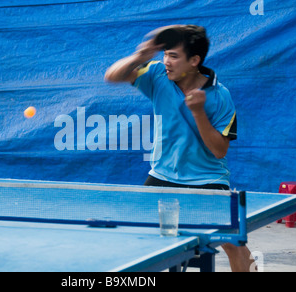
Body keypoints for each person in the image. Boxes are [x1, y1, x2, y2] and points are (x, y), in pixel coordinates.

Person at [105, 24, 256, 272]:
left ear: (194, 60)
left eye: (173, 56)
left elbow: (220, 151)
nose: (166, 61)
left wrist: (198, 111)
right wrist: (142, 55)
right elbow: (112, 76)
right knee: (130, 237)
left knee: (234, 242)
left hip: (207, 179)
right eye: (165, 54)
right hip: (162, 175)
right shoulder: (157, 76)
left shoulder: (219, 95)